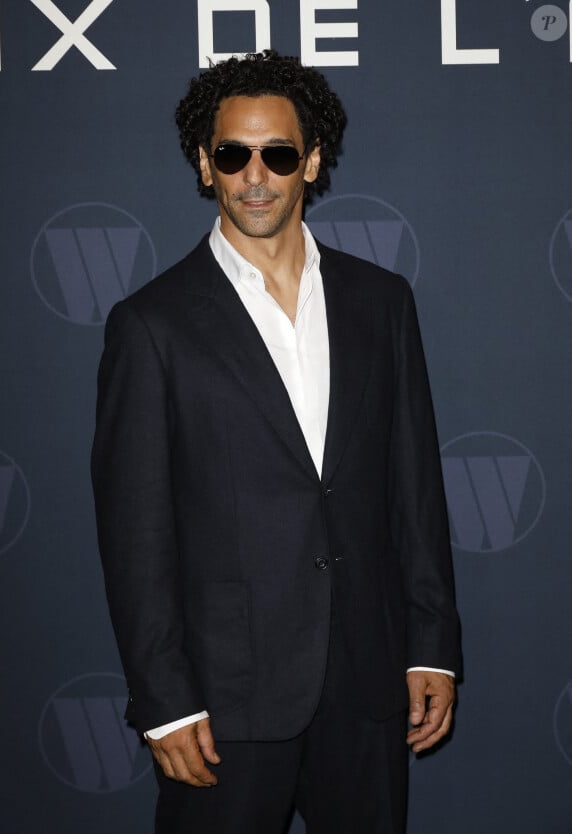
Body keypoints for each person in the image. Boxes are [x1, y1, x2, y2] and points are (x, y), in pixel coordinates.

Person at [91, 51, 462, 834]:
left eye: (278, 154)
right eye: (232, 154)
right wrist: (164, 699)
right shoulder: (152, 324)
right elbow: (135, 531)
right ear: (205, 163)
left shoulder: (381, 302)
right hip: (223, 700)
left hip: (366, 681)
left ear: (312, 161)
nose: (254, 175)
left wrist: (430, 646)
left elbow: (414, 486)